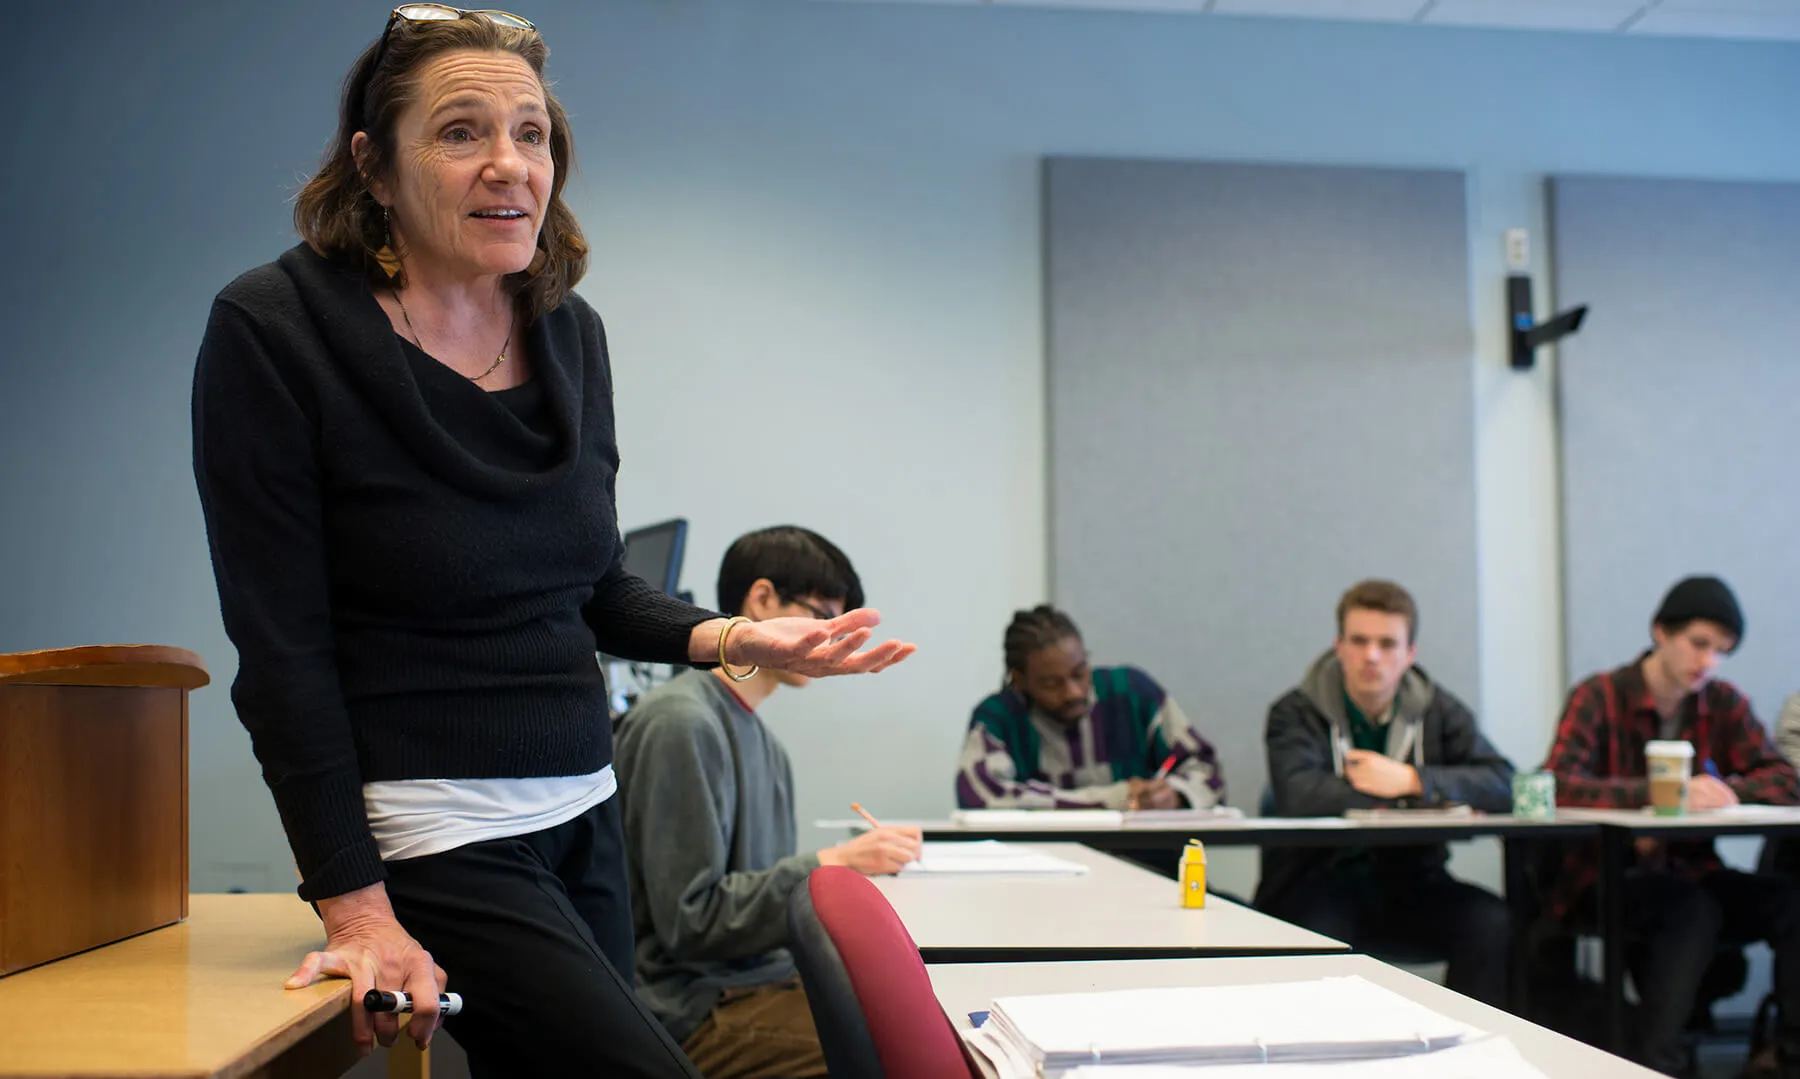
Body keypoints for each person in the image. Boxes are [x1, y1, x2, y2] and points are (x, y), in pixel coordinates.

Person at [190, 10, 913, 1076]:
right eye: (461, 131)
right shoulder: (276, 330)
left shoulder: (569, 329)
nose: (508, 165)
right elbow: (282, 653)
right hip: (433, 831)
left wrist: (744, 641)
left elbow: (596, 588)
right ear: (374, 166)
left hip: (584, 806)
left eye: (532, 134)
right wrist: (354, 907)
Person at [614, 526, 923, 1078]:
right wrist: (831, 865)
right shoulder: (680, 724)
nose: (834, 639)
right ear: (761, 600)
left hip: (756, 983)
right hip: (696, 1006)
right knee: (906, 1058)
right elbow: (692, 923)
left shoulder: (764, 744)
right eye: (823, 615)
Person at [1544, 576, 1800, 1077]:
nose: (1708, 662)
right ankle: (1655, 1065)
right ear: (1661, 633)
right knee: (1691, 911)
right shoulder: (1599, 695)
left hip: (1691, 869)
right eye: (1698, 644)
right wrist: (1658, 795)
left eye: (1722, 651)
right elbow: (1559, 782)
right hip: (1606, 877)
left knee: (1791, 902)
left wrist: (1729, 790)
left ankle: (1788, 1056)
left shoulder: (1722, 701)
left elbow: (1784, 779)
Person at [1255, 580, 1515, 1007]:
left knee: (1490, 922)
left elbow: (1504, 783)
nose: (1372, 656)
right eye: (1359, 641)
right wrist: (1419, 797)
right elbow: (1299, 795)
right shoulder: (1295, 711)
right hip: (1318, 880)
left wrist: (1412, 781)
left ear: (1410, 654)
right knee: (1321, 926)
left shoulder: (1437, 709)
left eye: (1387, 643)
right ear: (1338, 646)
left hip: (1413, 882)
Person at [955, 605, 1225, 811]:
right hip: (1045, 874)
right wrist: (1114, 799)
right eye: (1051, 683)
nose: (1073, 692)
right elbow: (983, 798)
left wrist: (1176, 794)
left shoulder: (1132, 693)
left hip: (1151, 866)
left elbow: (1207, 769)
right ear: (1020, 680)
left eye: (1079, 672)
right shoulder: (998, 718)